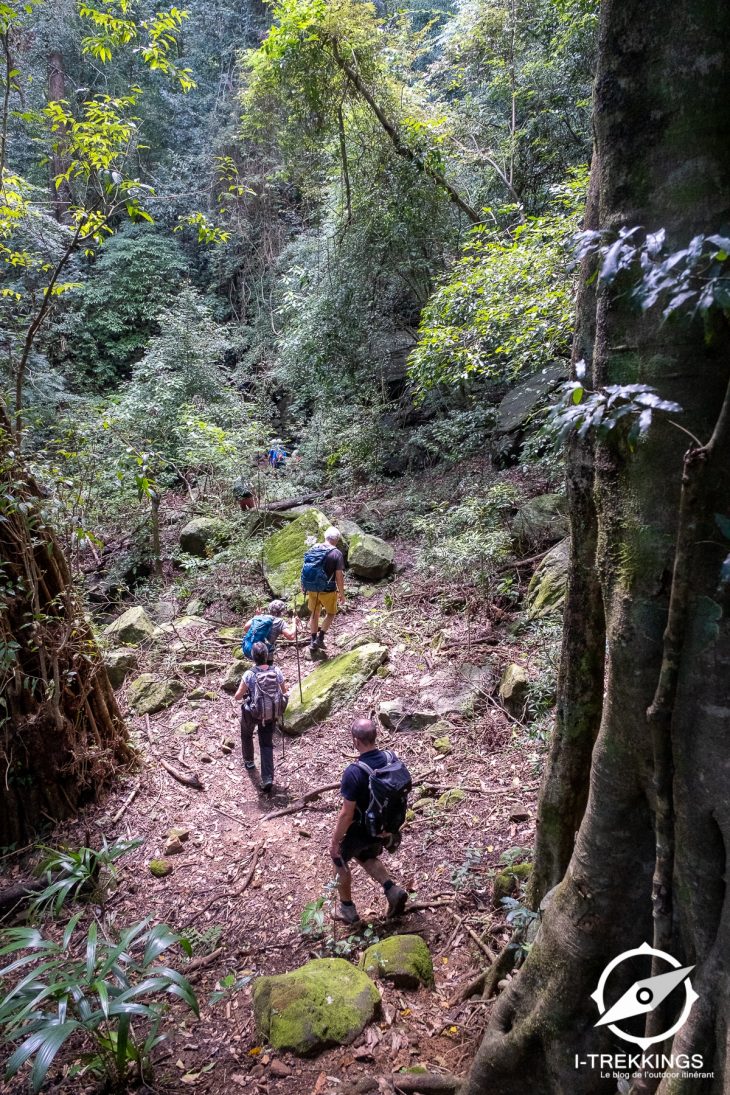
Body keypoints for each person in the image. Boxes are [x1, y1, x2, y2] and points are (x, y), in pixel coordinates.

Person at [329, 719, 410, 924]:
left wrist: (335, 841)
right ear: (375, 736)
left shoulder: (354, 772)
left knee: (339, 858)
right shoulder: (391, 758)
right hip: (386, 827)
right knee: (365, 855)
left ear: (356, 741)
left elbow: (346, 814)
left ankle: (347, 909)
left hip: (363, 829)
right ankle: (392, 890)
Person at [234, 641, 289, 794]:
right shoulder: (276, 671)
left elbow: (238, 696)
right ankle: (268, 778)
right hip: (270, 714)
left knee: (246, 734)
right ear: (266, 655)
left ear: (253, 657)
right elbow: (284, 692)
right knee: (266, 744)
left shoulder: (249, 674)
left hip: (253, 713)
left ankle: (249, 762)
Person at [300, 526, 345, 653]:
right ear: (336, 540)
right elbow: (339, 576)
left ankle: (312, 640)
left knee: (314, 613)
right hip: (327, 590)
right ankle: (320, 639)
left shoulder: (313, 548)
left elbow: (304, 567)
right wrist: (341, 594)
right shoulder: (336, 553)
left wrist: (303, 584)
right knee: (331, 613)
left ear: (325, 537)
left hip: (312, 588)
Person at [241, 600, 299, 664]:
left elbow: (246, 628)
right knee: (267, 669)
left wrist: (257, 616)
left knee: (258, 668)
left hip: (253, 650)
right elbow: (291, 636)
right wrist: (294, 623)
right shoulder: (280, 622)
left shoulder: (260, 617)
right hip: (267, 654)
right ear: (281, 612)